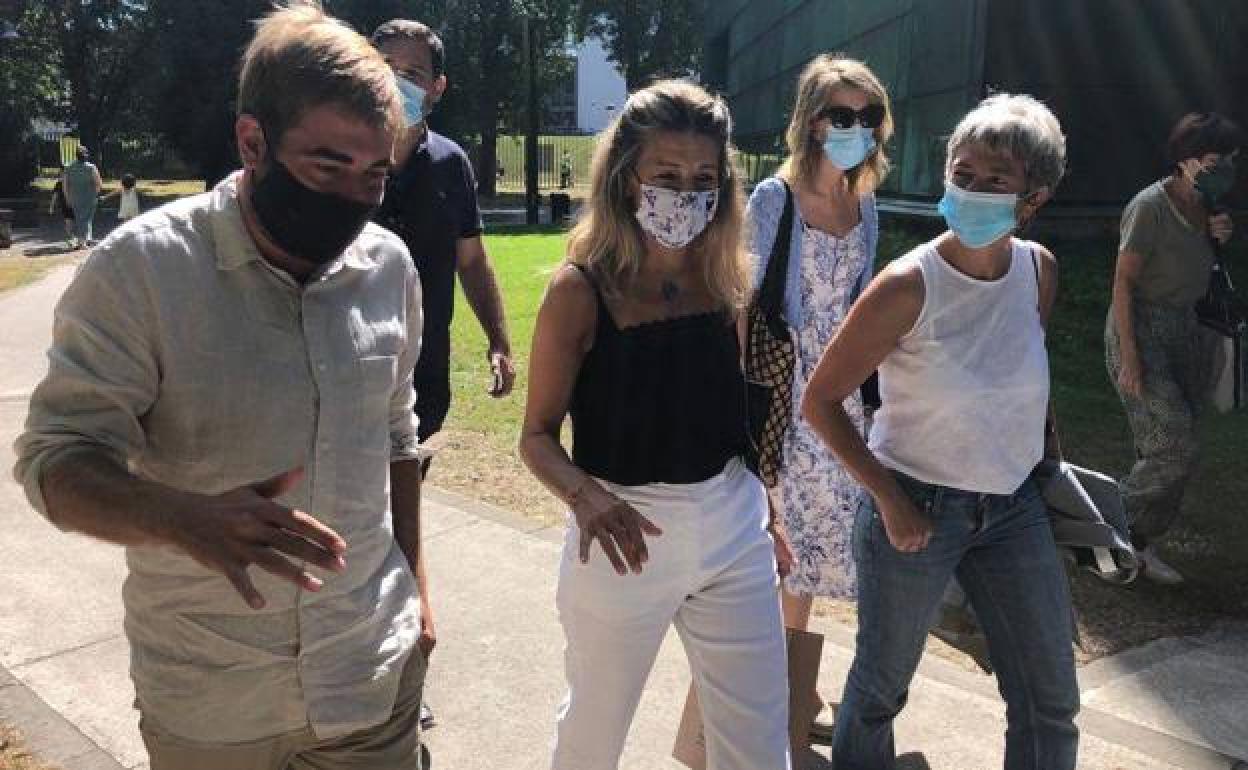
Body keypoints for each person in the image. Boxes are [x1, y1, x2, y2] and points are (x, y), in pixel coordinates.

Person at [14, 4, 434, 768]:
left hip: (370, 677)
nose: (353, 197)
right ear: (253, 142)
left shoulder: (389, 269)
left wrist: (419, 595)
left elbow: (398, 439)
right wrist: (181, 518)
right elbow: (55, 461)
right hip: (213, 699)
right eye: (327, 166)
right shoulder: (141, 272)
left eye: (375, 173)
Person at [519, 80, 791, 770]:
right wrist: (588, 498)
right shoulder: (581, 288)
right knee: (591, 739)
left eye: (704, 178)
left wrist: (768, 509)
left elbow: (727, 413)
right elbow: (536, 436)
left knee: (759, 743)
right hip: (623, 536)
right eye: (667, 175)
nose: (686, 193)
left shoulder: (724, 275)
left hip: (733, 527)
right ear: (624, 178)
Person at [802, 94, 1079, 770]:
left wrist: (1053, 472)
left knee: (1050, 698)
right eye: (963, 173)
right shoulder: (906, 286)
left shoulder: (1038, 271)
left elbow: (1025, 378)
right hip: (916, 507)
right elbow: (822, 401)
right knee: (878, 692)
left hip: (1013, 510)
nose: (972, 190)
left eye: (995, 181)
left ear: (1033, 198)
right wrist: (889, 501)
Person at [743, 54, 890, 737]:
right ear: (810, 120)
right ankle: (784, 700)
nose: (855, 127)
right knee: (792, 555)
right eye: (841, 113)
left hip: (845, 401)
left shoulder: (867, 204)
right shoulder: (774, 198)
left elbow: (866, 306)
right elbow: (744, 305)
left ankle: (803, 693)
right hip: (785, 396)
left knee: (845, 548)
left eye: (867, 116)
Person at [1105, 112, 1241, 584]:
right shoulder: (1149, 207)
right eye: (1214, 160)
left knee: (1170, 450)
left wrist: (1219, 238)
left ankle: (1139, 544)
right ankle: (1102, 527)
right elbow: (1122, 283)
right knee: (1175, 446)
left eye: (1232, 159)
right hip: (1141, 327)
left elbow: (1202, 272)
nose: (1225, 168)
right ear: (1185, 162)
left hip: (1186, 330)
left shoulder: (1209, 208)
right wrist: (1129, 356)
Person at [372, 18, 515, 456]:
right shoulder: (336, 158)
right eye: (383, 66)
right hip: (345, 365)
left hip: (424, 371)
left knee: (410, 489)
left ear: (437, 87)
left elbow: (471, 261)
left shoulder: (450, 165)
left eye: (412, 74)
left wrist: (498, 340)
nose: (395, 82)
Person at [61, 145, 102, 248]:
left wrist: (67, 198)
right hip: (89, 198)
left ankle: (81, 240)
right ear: (86, 155)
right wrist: (95, 195)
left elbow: (65, 185)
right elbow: (98, 183)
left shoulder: (68, 167)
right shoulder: (91, 167)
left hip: (74, 198)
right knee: (85, 219)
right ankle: (82, 242)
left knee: (80, 219)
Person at [48, 177, 75, 247]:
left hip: (74, 204)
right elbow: (55, 196)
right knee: (69, 222)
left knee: (71, 223)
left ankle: (74, 238)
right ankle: (71, 238)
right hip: (66, 205)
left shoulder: (74, 181)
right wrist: (51, 206)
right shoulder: (59, 183)